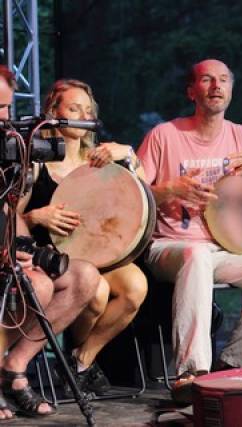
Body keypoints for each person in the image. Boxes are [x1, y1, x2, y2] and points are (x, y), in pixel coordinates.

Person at [137, 59, 242, 403]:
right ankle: (192, 373)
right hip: (170, 246)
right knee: (195, 256)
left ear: (230, 89)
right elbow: (131, 198)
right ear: (191, 91)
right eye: (207, 79)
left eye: (223, 79)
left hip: (224, 250)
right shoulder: (164, 135)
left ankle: (233, 364)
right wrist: (169, 191)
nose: (216, 86)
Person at [18, 79, 148, 396]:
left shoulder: (98, 159)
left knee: (135, 287)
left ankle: (80, 362)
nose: (82, 115)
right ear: (54, 112)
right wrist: (37, 216)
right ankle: (73, 369)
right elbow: (10, 219)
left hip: (101, 253)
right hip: (57, 258)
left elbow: (144, 197)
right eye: (74, 108)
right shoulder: (36, 163)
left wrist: (129, 156)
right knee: (98, 293)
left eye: (87, 110)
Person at [0, 66, 100, 418]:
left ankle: (14, 369)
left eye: (6, 109)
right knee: (37, 287)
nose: (3, 118)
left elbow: (11, 211)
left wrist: (21, 249)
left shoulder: (11, 149)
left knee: (85, 277)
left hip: (7, 249)